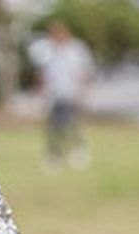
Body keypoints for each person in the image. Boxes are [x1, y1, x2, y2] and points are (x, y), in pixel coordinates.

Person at [31, 21, 94, 169]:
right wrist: (40, 91)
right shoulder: (47, 50)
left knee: (73, 124)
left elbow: (84, 71)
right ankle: (54, 154)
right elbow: (42, 73)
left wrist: (83, 90)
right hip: (53, 95)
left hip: (71, 93)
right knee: (53, 126)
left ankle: (78, 150)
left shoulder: (77, 49)